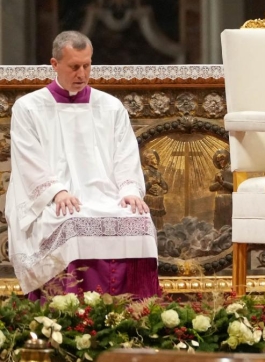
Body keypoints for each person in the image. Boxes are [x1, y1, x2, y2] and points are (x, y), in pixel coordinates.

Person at [7, 31, 159, 298]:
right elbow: (29, 160)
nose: (82, 73)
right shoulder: (29, 107)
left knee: (140, 220)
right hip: (55, 199)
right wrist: (56, 191)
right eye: (74, 66)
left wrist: (129, 191)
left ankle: (137, 315)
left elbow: (125, 154)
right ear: (54, 65)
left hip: (106, 195)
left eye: (87, 65)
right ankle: (75, 316)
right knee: (73, 223)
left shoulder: (109, 107)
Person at [141, 149, 168, 230]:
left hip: (158, 202)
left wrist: (161, 188)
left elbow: (165, 187)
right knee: (150, 221)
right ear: (147, 161)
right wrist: (150, 183)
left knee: (159, 222)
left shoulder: (158, 173)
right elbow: (141, 188)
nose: (155, 160)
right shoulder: (145, 173)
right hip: (149, 202)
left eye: (155, 158)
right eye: (152, 158)